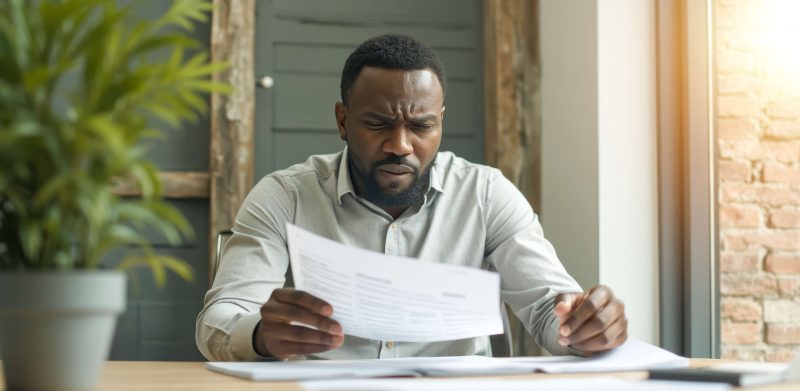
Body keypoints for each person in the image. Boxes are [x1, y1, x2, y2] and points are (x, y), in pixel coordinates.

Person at [196, 34, 628, 361]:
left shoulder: (485, 194)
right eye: (379, 124)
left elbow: (547, 310)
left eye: (421, 127)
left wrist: (583, 327)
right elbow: (220, 320)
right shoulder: (285, 196)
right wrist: (260, 335)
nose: (400, 145)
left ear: (440, 122)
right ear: (342, 120)